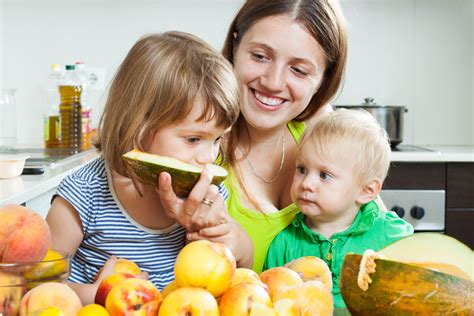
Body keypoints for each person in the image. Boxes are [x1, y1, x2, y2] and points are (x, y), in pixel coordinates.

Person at [46, 31, 246, 304]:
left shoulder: (207, 199)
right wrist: (97, 295)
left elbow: (239, 279)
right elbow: (38, 287)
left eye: (217, 139)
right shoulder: (84, 194)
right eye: (193, 139)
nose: (208, 157)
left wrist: (234, 242)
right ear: (140, 128)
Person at [199, 0, 350, 273]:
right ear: (235, 47)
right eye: (259, 56)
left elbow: (382, 242)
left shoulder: (330, 136)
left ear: (323, 80)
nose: (273, 82)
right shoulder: (198, 146)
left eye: (299, 70)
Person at [263, 109, 414, 308]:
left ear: (367, 191)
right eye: (301, 169)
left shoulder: (392, 235)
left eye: (324, 175)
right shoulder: (283, 244)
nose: (306, 183)